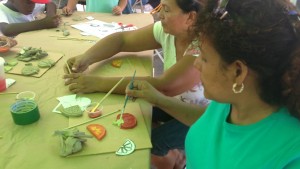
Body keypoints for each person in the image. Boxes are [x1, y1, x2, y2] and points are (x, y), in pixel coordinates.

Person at [126, 0, 300, 168]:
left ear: (238, 72)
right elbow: (208, 120)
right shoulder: (233, 102)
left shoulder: (290, 155)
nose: (196, 64)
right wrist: (157, 99)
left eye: (204, 58)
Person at [63, 0, 207, 168]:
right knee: (137, 112)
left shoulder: (203, 47)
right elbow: (123, 40)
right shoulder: (168, 31)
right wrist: (87, 57)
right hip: (176, 101)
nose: (159, 15)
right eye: (160, 8)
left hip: (202, 117)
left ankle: (178, 159)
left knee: (150, 144)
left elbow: (165, 85)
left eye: (166, 10)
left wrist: (97, 83)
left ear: (190, 17)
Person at [62, 0, 128, 15]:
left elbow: (124, 0)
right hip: (91, 17)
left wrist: (120, 8)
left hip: (111, 17)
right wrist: (69, 7)